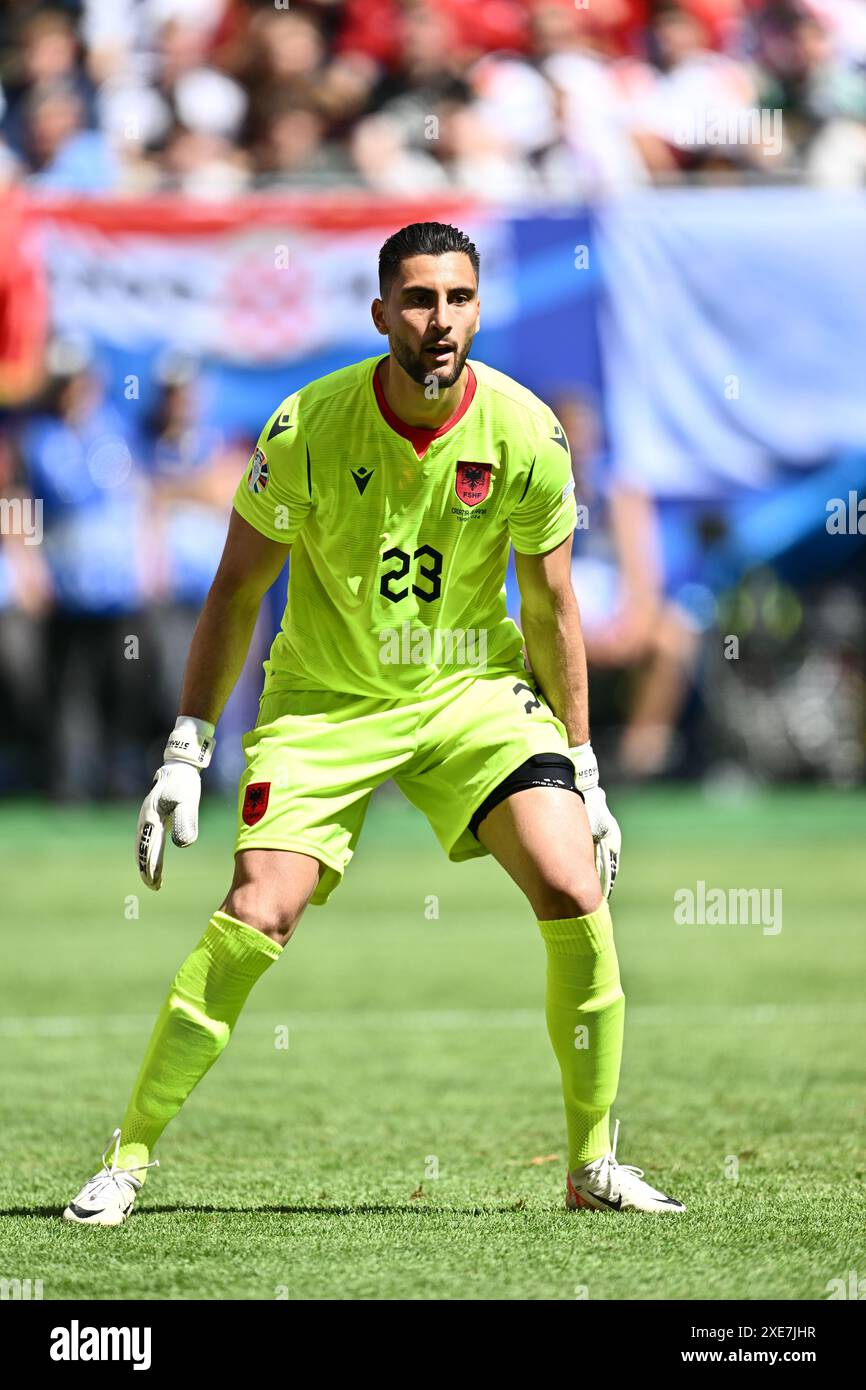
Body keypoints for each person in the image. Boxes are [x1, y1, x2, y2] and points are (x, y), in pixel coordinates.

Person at [64, 222, 684, 1225]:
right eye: (419, 300)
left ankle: (590, 1165)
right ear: (380, 313)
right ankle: (127, 1158)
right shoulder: (306, 425)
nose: (440, 321)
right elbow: (232, 592)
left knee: (573, 885)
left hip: (471, 698)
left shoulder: (527, 432)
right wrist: (187, 745)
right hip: (323, 707)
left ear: (476, 307)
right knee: (257, 913)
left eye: (457, 299)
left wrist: (581, 765)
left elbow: (553, 610)